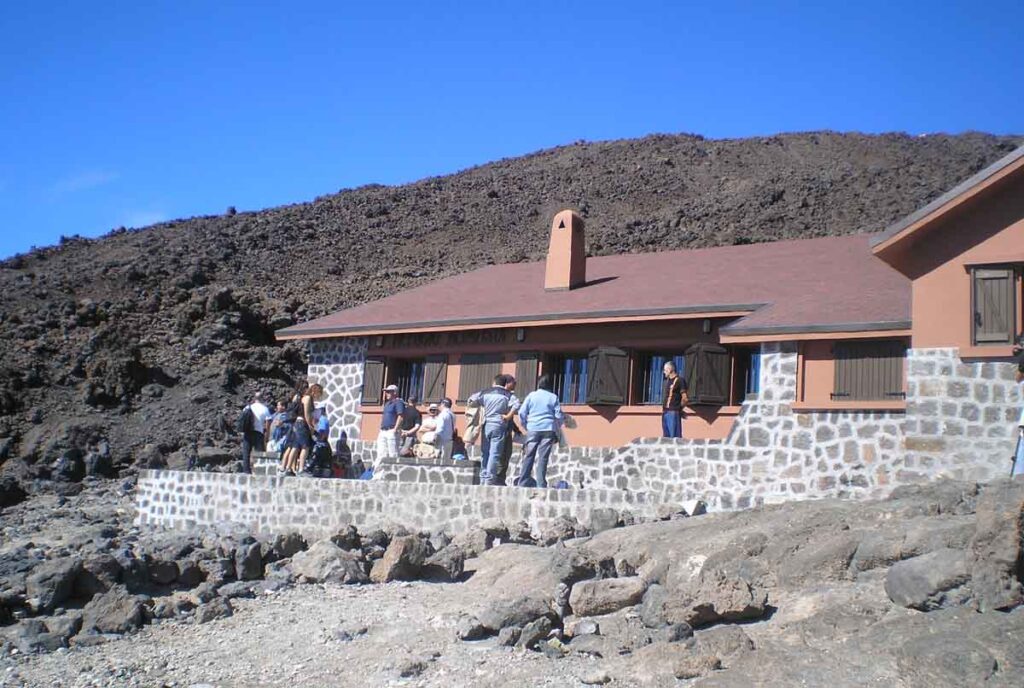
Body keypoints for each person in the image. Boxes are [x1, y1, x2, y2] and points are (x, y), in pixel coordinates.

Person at [467, 374, 519, 486]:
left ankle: (483, 477)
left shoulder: (486, 392)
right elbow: (517, 404)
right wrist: (508, 416)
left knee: (485, 452)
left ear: (494, 382)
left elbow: (471, 400)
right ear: (505, 384)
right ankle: (490, 479)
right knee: (495, 453)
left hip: (487, 424)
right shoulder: (508, 394)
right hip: (500, 425)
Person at [516, 375, 564, 488]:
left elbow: (522, 412)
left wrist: (525, 425)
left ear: (539, 384)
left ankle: (523, 481)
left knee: (529, 455)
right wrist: (557, 427)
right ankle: (541, 483)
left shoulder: (531, 396)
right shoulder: (553, 397)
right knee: (543, 457)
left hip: (533, 428)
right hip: (548, 429)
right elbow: (559, 416)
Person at [281, 382, 323, 476]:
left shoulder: (304, 397)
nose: (318, 396)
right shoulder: (307, 398)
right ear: (315, 391)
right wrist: (310, 426)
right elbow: (306, 414)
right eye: (319, 394)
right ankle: (301, 469)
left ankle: (288, 469)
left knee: (295, 446)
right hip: (302, 423)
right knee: (305, 446)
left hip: (298, 423)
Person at [238, 392, 271, 474]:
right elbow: (267, 423)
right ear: (262, 398)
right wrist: (267, 435)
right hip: (258, 432)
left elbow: (242, 419)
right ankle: (259, 471)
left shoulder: (247, 407)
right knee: (259, 452)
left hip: (248, 432)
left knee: (246, 452)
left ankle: (246, 471)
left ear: (254, 398)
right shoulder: (265, 409)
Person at [376, 384, 405, 466]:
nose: (386, 394)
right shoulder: (387, 404)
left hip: (392, 430)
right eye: (386, 392)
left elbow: (401, 416)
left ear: (395, 392)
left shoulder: (398, 402)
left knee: (393, 453)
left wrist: (395, 429)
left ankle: (394, 472)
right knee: (381, 453)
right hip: (383, 430)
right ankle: (379, 473)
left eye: (389, 392)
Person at [661, 361, 688, 438]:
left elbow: (685, 399)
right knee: (666, 438)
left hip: (673, 412)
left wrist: (679, 409)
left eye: (665, 370)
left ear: (670, 370)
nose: (664, 372)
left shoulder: (680, 380)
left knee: (674, 438)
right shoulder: (668, 381)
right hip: (665, 412)